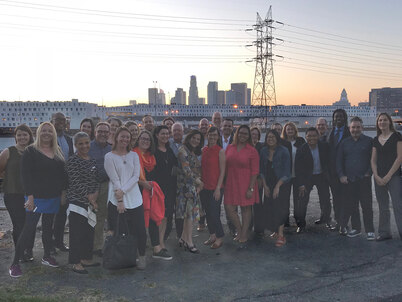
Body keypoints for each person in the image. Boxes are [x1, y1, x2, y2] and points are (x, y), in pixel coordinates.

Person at [9, 122, 68, 278]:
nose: (47, 133)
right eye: (44, 131)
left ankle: (47, 256)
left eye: (50, 131)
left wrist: (63, 193)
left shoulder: (58, 151)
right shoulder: (31, 151)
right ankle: (15, 263)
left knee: (48, 229)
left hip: (53, 197)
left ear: (53, 134)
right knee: (28, 229)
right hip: (35, 198)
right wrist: (30, 196)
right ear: (39, 133)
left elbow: (63, 176)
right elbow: (25, 175)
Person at [104, 127, 147, 269]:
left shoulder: (134, 155)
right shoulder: (109, 157)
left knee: (139, 230)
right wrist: (120, 199)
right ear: (116, 137)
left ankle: (141, 255)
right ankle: (122, 256)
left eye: (127, 137)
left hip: (134, 199)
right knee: (120, 230)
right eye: (122, 136)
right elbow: (114, 179)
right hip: (116, 199)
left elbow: (135, 176)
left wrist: (123, 191)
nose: (125, 139)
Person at [133, 130, 172, 260]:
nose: (145, 141)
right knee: (138, 222)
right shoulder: (133, 154)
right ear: (138, 140)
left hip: (149, 192)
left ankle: (156, 248)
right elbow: (128, 176)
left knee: (153, 218)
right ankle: (138, 251)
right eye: (142, 138)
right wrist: (142, 183)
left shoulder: (151, 156)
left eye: (148, 140)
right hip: (135, 192)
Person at [0, 124, 35, 262]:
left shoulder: (33, 152)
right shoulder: (8, 152)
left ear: (29, 136)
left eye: (25, 134)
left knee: (30, 223)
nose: (22, 137)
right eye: (19, 135)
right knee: (19, 224)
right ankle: (20, 252)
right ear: (15, 137)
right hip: (13, 193)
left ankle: (29, 250)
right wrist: (11, 180)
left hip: (31, 195)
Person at [66, 132, 100, 274]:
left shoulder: (91, 160)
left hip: (91, 202)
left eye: (86, 143)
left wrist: (96, 194)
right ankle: (75, 262)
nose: (84, 146)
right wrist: (90, 198)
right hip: (77, 202)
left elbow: (97, 179)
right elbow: (75, 182)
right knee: (76, 233)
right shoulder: (72, 161)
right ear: (75, 145)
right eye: (81, 143)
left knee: (88, 231)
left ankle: (86, 258)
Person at [336, 117, 374, 240]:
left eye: (358, 127)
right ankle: (356, 229)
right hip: (349, 180)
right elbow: (339, 161)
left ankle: (370, 230)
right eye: (353, 127)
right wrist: (341, 175)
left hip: (364, 179)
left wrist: (369, 172)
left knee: (367, 206)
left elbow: (373, 160)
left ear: (362, 128)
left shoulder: (369, 141)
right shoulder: (344, 143)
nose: (355, 129)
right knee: (352, 206)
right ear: (349, 128)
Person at [224, 125, 259, 246]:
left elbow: (255, 171)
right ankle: (239, 230)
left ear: (248, 136)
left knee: (246, 209)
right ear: (236, 134)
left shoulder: (252, 150)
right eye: (241, 133)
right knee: (229, 208)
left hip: (246, 183)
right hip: (231, 182)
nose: (242, 136)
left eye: (245, 134)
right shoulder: (229, 147)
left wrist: (251, 188)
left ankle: (243, 234)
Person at [371, 113, 402, 241]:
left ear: (389, 122)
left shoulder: (397, 137)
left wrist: (388, 176)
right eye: (380, 120)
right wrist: (377, 176)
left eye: (384, 120)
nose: (382, 122)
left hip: (394, 176)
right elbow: (373, 160)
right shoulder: (375, 139)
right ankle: (384, 232)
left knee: (398, 205)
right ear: (377, 123)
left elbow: (400, 157)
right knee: (382, 205)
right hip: (379, 177)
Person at [294, 128, 331, 233]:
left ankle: (326, 219)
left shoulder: (324, 146)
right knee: (302, 201)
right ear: (306, 137)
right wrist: (301, 184)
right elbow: (298, 168)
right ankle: (301, 224)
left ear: (318, 136)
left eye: (314, 135)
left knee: (325, 199)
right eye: (309, 136)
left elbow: (329, 162)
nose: (312, 138)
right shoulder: (302, 149)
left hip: (321, 176)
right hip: (307, 178)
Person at [260, 130, 291, 246]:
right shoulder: (263, 151)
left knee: (280, 207)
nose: (270, 139)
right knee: (270, 207)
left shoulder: (284, 151)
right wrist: (265, 185)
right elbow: (261, 170)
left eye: (273, 137)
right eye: (268, 137)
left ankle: (281, 235)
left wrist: (278, 186)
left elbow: (287, 171)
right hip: (268, 183)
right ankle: (276, 230)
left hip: (281, 183)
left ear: (277, 138)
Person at [327, 109, 356, 232]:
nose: (338, 118)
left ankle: (344, 224)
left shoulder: (350, 133)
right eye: (336, 116)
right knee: (336, 198)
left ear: (345, 118)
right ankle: (338, 222)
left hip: (345, 173)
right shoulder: (329, 133)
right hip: (332, 173)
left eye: (341, 116)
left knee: (345, 198)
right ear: (333, 118)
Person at [176, 130, 204, 253]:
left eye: (198, 139)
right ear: (189, 137)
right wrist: (199, 182)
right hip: (185, 188)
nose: (196, 141)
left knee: (191, 215)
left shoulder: (191, 152)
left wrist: (198, 183)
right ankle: (189, 241)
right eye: (194, 138)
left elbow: (196, 169)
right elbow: (186, 170)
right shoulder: (183, 151)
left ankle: (183, 238)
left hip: (191, 187)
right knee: (189, 216)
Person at [152, 125, 178, 253]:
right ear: (156, 135)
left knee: (166, 216)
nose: (165, 136)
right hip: (157, 188)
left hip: (170, 187)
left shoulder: (169, 150)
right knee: (158, 217)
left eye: (167, 134)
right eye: (162, 134)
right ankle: (156, 243)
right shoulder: (152, 151)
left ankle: (161, 242)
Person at [88, 122, 112, 256]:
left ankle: (106, 244)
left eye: (105, 132)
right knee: (95, 217)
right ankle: (95, 246)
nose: (103, 134)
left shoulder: (111, 148)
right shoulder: (88, 147)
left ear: (109, 133)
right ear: (95, 133)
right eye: (100, 131)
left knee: (106, 216)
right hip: (93, 186)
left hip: (110, 184)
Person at [51, 112, 73, 252]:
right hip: (50, 182)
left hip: (66, 182)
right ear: (51, 121)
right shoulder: (46, 138)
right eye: (57, 119)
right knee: (49, 215)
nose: (61, 122)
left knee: (62, 213)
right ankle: (50, 245)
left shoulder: (69, 139)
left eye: (63, 120)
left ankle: (59, 242)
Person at [200, 127, 225, 249]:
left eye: (215, 135)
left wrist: (218, 188)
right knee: (208, 213)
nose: (213, 137)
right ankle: (212, 235)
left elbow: (222, 171)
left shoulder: (220, 151)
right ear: (207, 135)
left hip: (216, 187)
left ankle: (220, 237)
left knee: (214, 213)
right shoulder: (203, 150)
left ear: (218, 137)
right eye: (211, 135)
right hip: (204, 187)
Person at [281, 122, 306, 227]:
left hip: (298, 175)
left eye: (292, 129)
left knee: (298, 199)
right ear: (285, 131)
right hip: (286, 176)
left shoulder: (300, 141)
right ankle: (285, 219)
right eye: (288, 129)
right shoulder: (281, 142)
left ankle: (298, 219)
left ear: (295, 130)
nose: (290, 131)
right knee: (284, 199)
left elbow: (305, 158)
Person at [168, 122, 184, 239]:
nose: (177, 132)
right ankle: (167, 232)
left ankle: (180, 234)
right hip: (170, 180)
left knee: (180, 210)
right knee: (169, 208)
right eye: (175, 130)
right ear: (172, 132)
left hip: (183, 181)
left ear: (183, 132)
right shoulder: (167, 143)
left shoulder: (187, 144)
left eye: (179, 130)